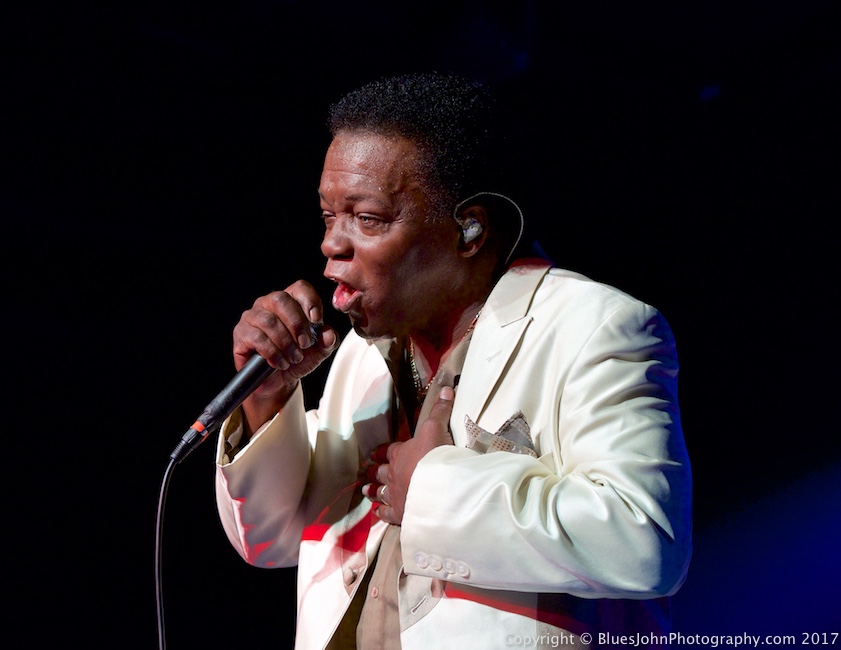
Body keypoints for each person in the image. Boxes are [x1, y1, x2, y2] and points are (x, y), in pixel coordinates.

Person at [213, 72, 692, 649]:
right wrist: (265, 400)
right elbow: (272, 539)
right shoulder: (362, 355)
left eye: (367, 218)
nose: (332, 244)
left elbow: (645, 545)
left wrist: (433, 490)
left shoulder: (594, 327)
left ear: (469, 229)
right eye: (327, 216)